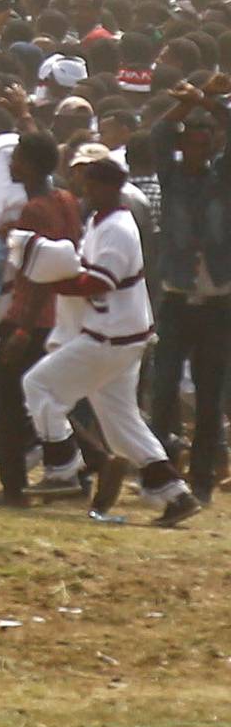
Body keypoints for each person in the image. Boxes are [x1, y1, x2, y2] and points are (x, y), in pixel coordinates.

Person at [13, 145, 199, 526]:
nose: (86, 192)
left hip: (110, 336)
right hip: (121, 334)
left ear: (110, 188)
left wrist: (56, 282)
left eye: (92, 186)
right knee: (120, 422)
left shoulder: (118, 226)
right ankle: (175, 495)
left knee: (37, 386)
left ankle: (61, 467)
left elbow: (101, 281)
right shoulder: (100, 220)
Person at [147, 82, 231, 503]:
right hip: (177, 295)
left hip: (217, 300)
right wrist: (184, 104)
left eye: (206, 144)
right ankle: (162, 472)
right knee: (162, 388)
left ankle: (200, 480)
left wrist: (209, 103)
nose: (197, 152)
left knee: (210, 394)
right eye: (191, 145)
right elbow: (157, 136)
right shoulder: (174, 177)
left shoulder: (224, 179)